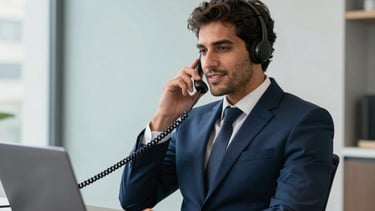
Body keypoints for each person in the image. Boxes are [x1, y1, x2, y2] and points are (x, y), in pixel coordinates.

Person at [119, 0, 334, 210]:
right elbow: (133, 200)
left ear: (259, 50)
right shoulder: (191, 121)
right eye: (203, 51)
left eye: (222, 48)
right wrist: (163, 119)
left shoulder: (305, 122)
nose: (209, 63)